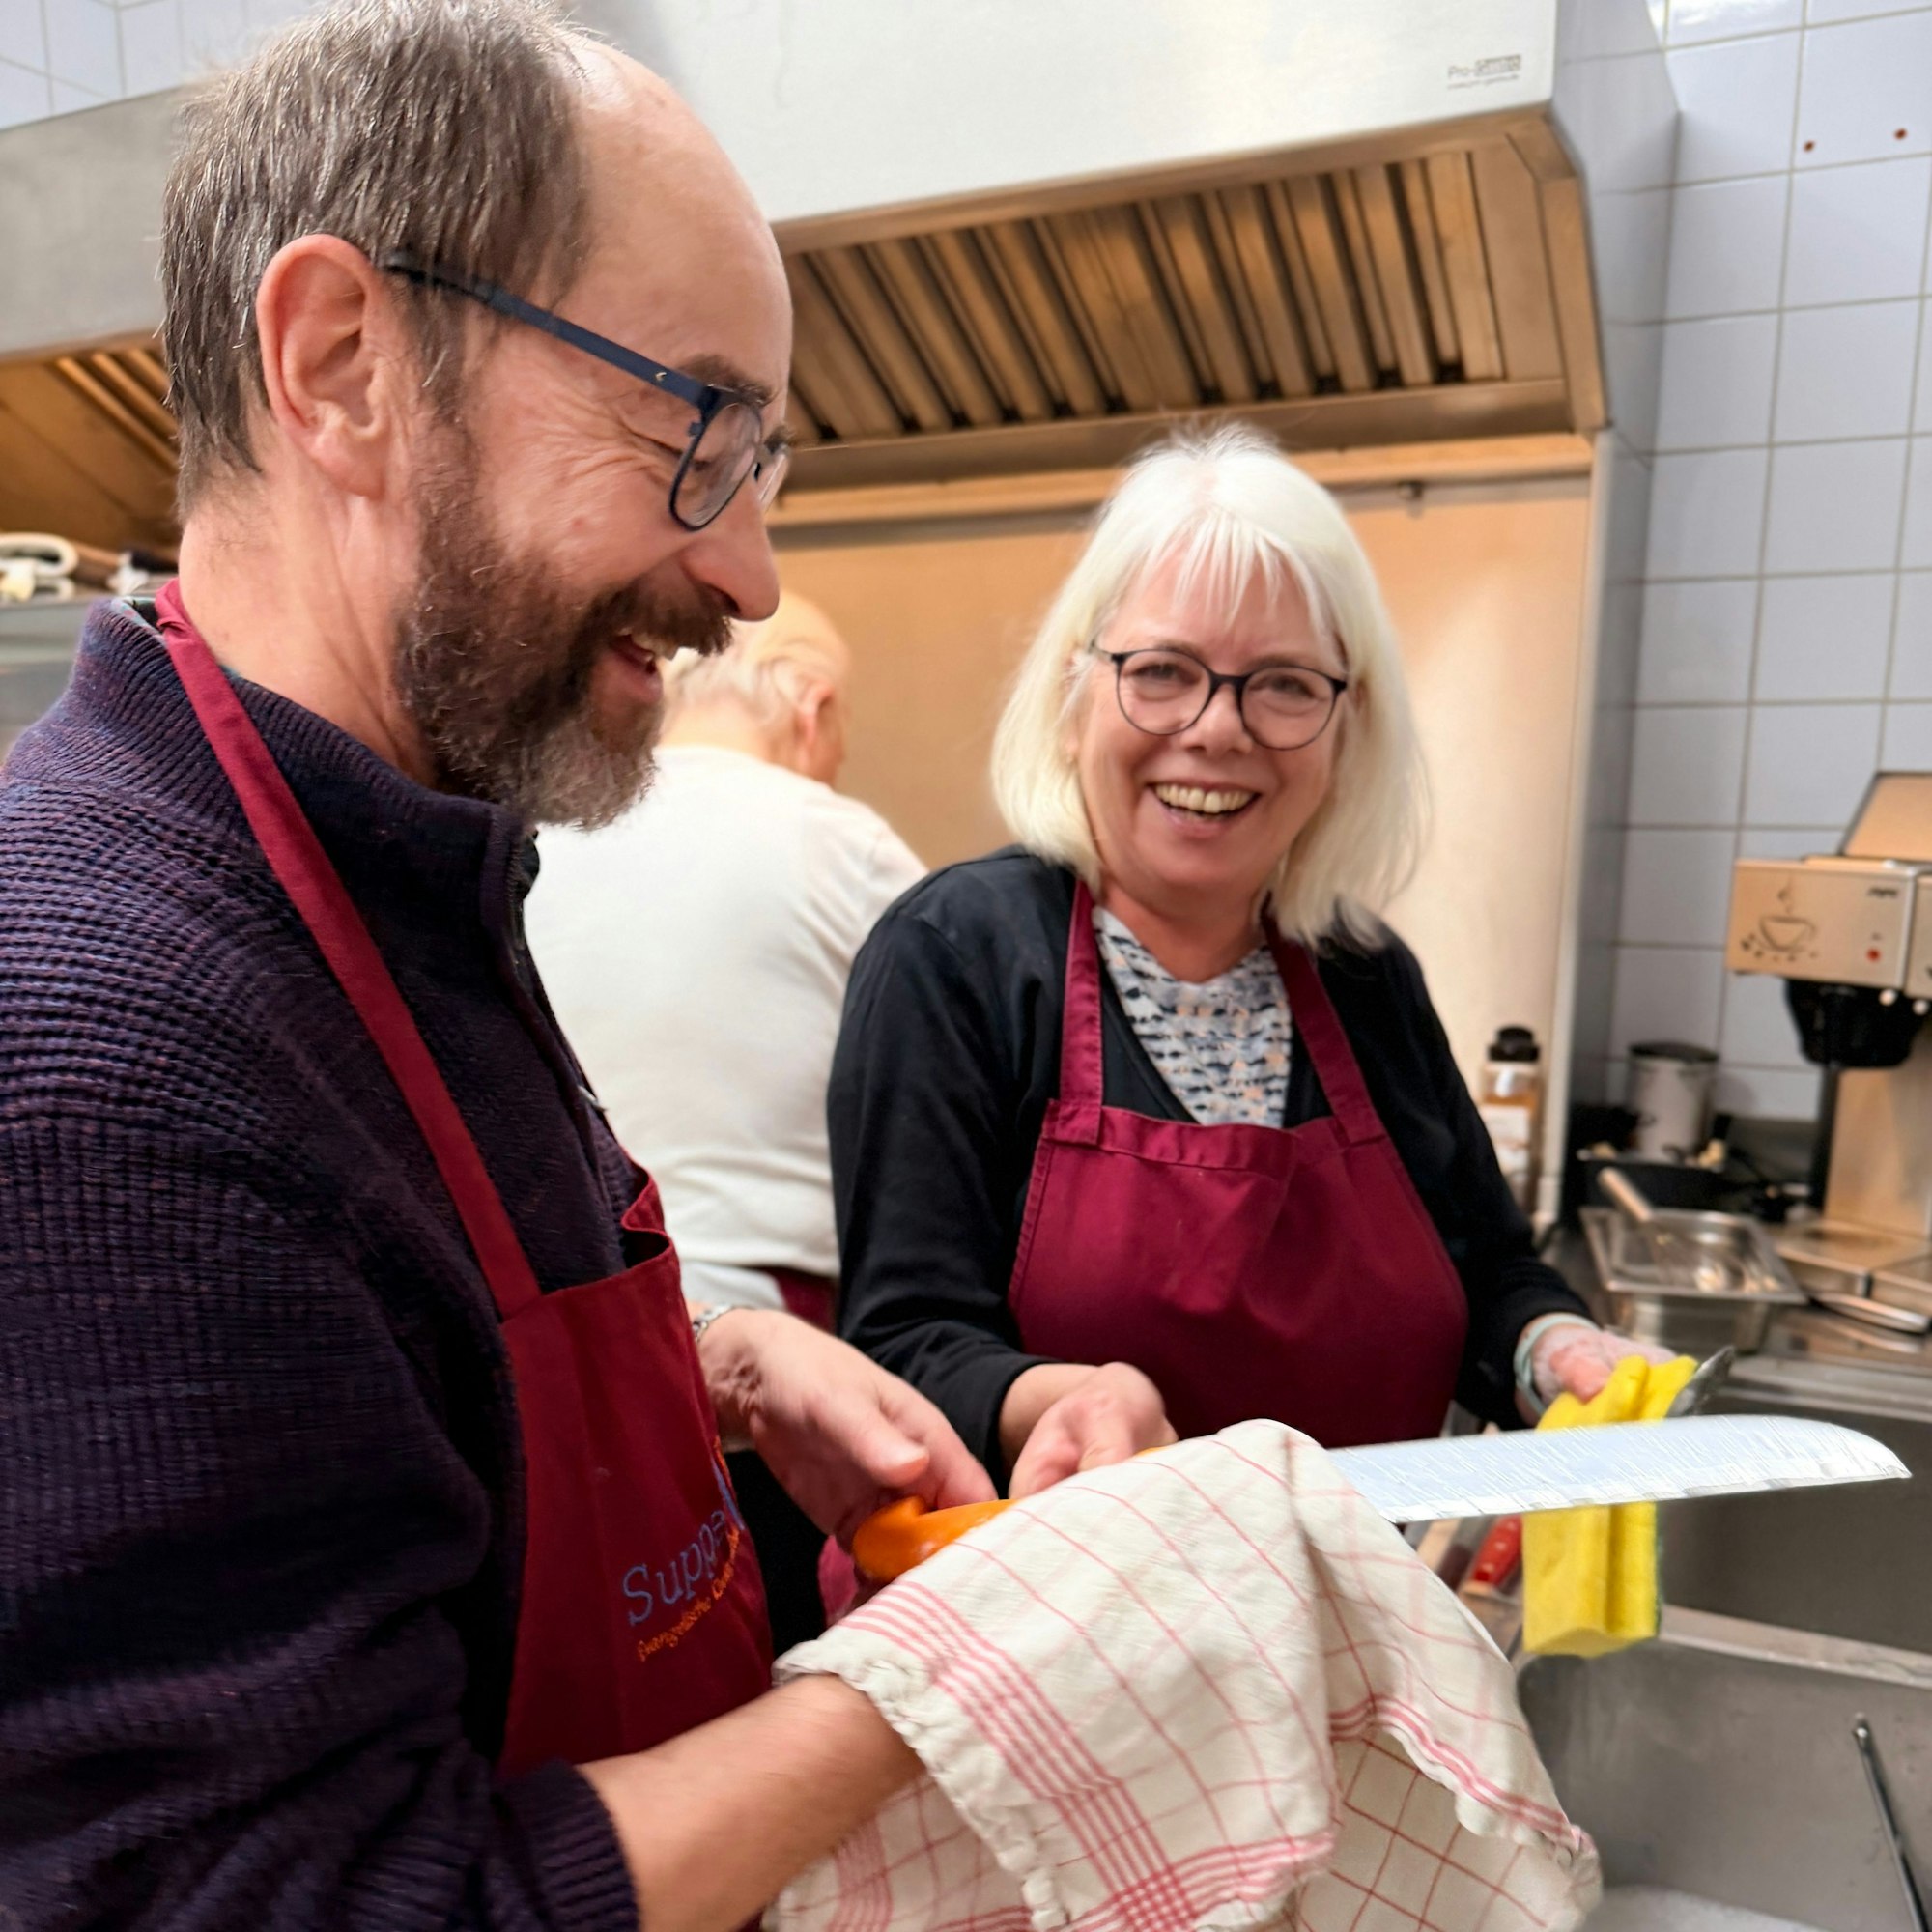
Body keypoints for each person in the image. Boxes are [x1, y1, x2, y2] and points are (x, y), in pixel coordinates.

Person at [0, 5, 996, 1928]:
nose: (754, 574)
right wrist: (956, 1682)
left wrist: (714, 1372)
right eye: (696, 425)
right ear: (344, 366)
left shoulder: (398, 869)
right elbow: (290, 1899)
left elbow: (355, 1404)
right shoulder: (96, 1040)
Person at [830, 425, 1669, 1501]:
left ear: (1343, 723)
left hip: (1339, 1641)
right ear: (1077, 689)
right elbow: (904, 1341)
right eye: (1162, 671)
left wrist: (1554, 1349)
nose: (1215, 729)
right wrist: (1058, 1400)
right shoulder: (957, 956)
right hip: (1048, 1641)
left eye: (1280, 684)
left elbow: (1488, 1271)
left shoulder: (1365, 974)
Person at [526, 592, 923, 1646]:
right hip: (779, 1423)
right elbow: (959, 1115)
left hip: (557, 1421)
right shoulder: (843, 843)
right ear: (810, 701)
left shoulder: (536, 836)